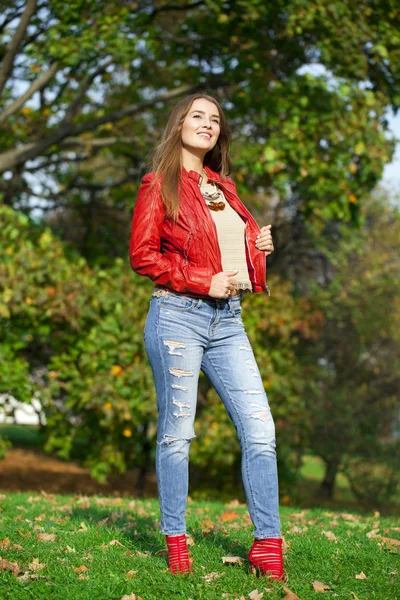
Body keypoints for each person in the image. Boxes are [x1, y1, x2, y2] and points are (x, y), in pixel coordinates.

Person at [129, 93, 285, 581]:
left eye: (215, 119)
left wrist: (257, 245)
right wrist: (199, 280)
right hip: (178, 317)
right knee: (178, 434)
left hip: (229, 321)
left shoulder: (224, 186)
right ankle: (176, 538)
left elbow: (224, 252)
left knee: (261, 431)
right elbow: (142, 255)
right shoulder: (160, 185)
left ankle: (268, 543)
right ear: (179, 124)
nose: (207, 124)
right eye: (198, 115)